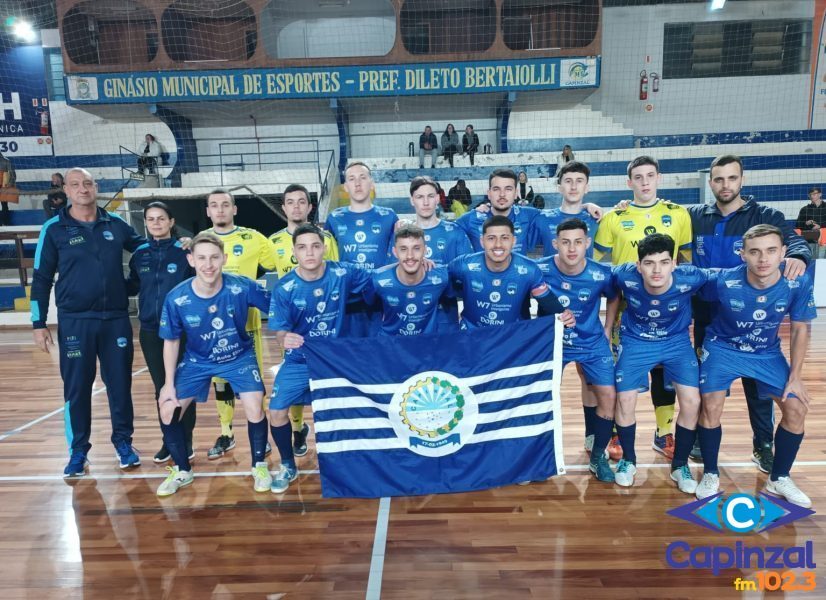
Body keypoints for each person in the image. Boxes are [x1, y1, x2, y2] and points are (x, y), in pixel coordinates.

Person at [689, 154, 811, 470]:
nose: (725, 184)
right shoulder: (695, 216)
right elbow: (661, 219)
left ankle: (764, 445)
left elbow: (793, 244)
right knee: (709, 390)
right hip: (709, 317)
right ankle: (704, 443)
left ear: (742, 180)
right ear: (710, 182)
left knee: (759, 391)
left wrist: (800, 257)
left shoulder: (765, 214)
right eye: (718, 179)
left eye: (731, 178)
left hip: (754, 319)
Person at [31, 167, 145, 477]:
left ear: (96, 187)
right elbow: (41, 278)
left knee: (120, 387)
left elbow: (146, 250)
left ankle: (124, 443)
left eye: (88, 183)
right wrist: (37, 322)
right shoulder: (53, 229)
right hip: (75, 323)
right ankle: (78, 452)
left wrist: (177, 248)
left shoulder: (115, 224)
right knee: (77, 388)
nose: (83, 188)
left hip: (116, 321)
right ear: (65, 191)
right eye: (76, 184)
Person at [695, 225, 816, 507]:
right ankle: (710, 473)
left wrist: (796, 377)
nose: (763, 259)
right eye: (755, 252)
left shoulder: (797, 281)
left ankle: (779, 478)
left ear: (783, 253)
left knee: (796, 407)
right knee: (710, 405)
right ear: (743, 255)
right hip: (722, 347)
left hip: (766, 352)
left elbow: (800, 329)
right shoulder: (724, 281)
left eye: (771, 251)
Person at [156, 232, 273, 496]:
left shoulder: (241, 286)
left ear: (224, 259)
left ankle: (259, 466)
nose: (208, 264)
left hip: (238, 356)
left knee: (255, 405)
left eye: (214, 258)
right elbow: (171, 342)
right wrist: (168, 385)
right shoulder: (177, 298)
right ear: (191, 260)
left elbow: (277, 306)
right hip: (197, 361)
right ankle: (182, 471)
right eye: (201, 258)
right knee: (167, 409)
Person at [594, 156, 693, 461]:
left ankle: (664, 434)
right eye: (638, 177)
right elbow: (597, 266)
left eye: (650, 176)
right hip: (627, 313)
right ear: (629, 183)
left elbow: (687, 262)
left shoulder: (678, 215)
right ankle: (615, 433)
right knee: (620, 377)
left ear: (659, 178)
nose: (645, 182)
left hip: (669, 314)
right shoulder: (613, 217)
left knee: (666, 376)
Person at [267, 224, 373, 493]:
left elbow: (381, 277)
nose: (310, 252)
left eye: (315, 246)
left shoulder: (342, 271)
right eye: (302, 247)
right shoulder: (285, 288)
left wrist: (422, 265)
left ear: (324, 248)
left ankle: (355, 461)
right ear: (294, 252)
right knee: (276, 411)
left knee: (355, 407)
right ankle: (288, 464)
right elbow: (279, 330)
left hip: (335, 361)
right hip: (299, 361)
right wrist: (283, 338)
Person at [608, 233, 706, 492]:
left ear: (674, 263)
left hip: (676, 342)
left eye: (664, 262)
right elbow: (594, 274)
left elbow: (732, 276)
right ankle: (629, 460)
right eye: (649, 263)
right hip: (637, 341)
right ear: (638, 266)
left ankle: (680, 464)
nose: (657, 270)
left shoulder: (691, 277)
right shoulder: (624, 275)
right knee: (625, 398)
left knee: (692, 401)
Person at [535, 219, 618, 483]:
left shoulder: (600, 273)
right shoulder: (540, 269)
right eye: (566, 242)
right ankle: (539, 457)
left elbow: (614, 296)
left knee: (607, 396)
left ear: (588, 244)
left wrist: (607, 327)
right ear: (555, 244)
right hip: (552, 341)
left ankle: (597, 456)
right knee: (542, 398)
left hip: (591, 342)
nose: (572, 248)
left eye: (578, 242)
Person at [202, 189, 277, 460]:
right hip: (211, 327)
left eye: (225, 205)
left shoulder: (253, 238)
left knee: (252, 384)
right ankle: (226, 433)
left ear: (235, 209)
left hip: (247, 326)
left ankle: (262, 436)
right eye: (214, 205)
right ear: (208, 211)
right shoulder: (201, 242)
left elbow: (279, 263)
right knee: (221, 383)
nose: (220, 209)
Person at [268, 183, 339, 457]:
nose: (296, 207)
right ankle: (294, 441)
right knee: (281, 403)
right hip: (296, 339)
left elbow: (338, 273)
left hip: (329, 342)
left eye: (301, 202)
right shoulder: (272, 245)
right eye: (290, 202)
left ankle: (337, 453)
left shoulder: (331, 251)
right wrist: (283, 336)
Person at [127, 202, 196, 464]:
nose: (156, 223)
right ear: (145, 223)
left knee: (183, 386)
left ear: (171, 222)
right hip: (150, 331)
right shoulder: (139, 254)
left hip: (183, 330)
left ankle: (186, 440)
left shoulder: (184, 251)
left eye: (161, 218)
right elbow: (132, 286)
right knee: (162, 388)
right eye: (151, 219)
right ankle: (169, 440)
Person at [449, 215, 573, 330]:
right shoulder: (464, 265)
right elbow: (438, 279)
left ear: (513, 241)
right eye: (491, 238)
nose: (498, 244)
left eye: (505, 238)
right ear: (482, 241)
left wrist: (565, 317)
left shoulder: (529, 270)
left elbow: (547, 301)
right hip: (473, 335)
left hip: (512, 338)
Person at [324, 162, 398, 336]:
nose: (358, 183)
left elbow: (399, 254)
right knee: (351, 356)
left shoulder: (389, 216)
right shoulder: (334, 218)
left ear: (371, 182)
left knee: (382, 355)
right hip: (346, 299)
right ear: (346, 187)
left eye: (363, 178)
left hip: (381, 298)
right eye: (352, 179)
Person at [408, 176, 471, 330]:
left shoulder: (455, 232)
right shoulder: (403, 236)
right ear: (412, 200)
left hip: (447, 317)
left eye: (430, 196)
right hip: (410, 316)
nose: (425, 202)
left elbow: (469, 277)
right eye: (419, 197)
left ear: (437, 199)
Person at [368, 224, 453, 336]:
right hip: (390, 344)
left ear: (425, 250)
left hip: (427, 344)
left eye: (416, 248)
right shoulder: (378, 279)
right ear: (395, 252)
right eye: (403, 249)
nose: (410, 256)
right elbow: (369, 306)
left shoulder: (442, 276)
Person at [454, 169, 540, 255]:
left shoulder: (528, 215)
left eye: (508, 189)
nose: (502, 194)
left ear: (516, 193)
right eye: (496, 189)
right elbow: (443, 231)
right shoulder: (472, 218)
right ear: (489, 193)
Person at [534, 161, 599, 258]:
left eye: (579, 181)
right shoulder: (542, 218)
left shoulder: (596, 219)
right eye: (568, 181)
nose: (573, 187)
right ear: (560, 188)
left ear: (586, 188)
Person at [794, 186, 826, 258]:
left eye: (814, 194)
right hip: (810, 239)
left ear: (820, 194)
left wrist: (820, 226)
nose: (812, 196)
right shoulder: (805, 209)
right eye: (810, 194)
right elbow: (798, 224)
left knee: (822, 261)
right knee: (812, 261)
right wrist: (806, 223)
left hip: (824, 239)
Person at [0, 150, 16, 226]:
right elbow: (13, 176)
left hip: (4, 187)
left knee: (4, 205)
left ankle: (5, 222)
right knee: (4, 205)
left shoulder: (6, 161)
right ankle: (4, 222)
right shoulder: (6, 161)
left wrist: (8, 185)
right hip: (5, 187)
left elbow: (13, 175)